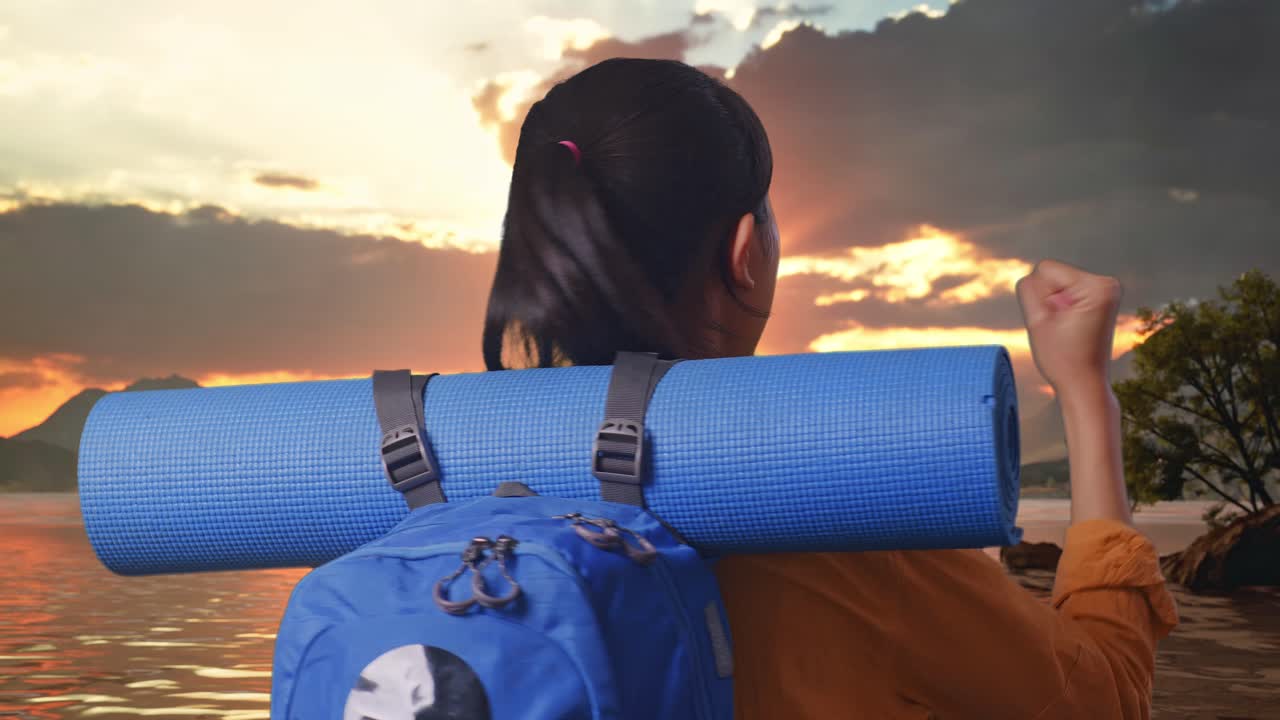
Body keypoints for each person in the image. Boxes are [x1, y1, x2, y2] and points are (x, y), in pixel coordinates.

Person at [482, 57, 1179, 719]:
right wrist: (1086, 393)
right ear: (745, 252)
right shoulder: (837, 521)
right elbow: (1103, 699)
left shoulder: (443, 484)